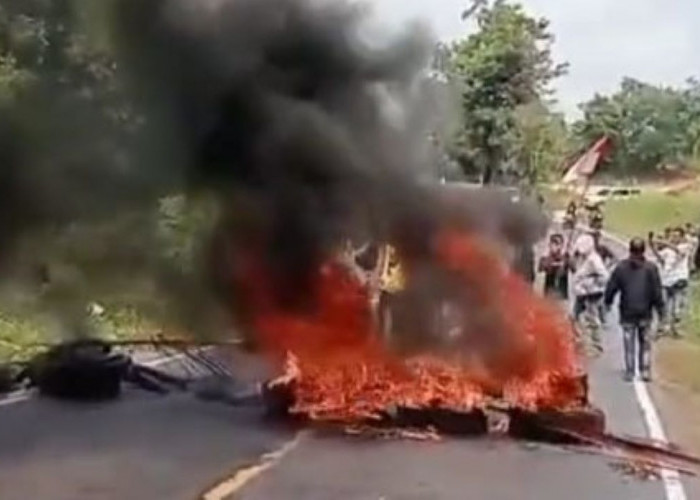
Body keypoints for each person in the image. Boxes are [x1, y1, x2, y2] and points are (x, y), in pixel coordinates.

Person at [604, 238, 664, 382]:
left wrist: (608, 302)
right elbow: (657, 291)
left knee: (629, 343)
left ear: (630, 250)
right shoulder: (651, 268)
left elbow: (611, 287)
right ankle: (644, 370)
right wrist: (660, 309)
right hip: (645, 311)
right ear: (643, 251)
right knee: (645, 343)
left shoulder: (621, 268)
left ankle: (630, 371)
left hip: (627, 311)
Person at [571, 234, 609, 353]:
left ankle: (596, 345)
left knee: (592, 319)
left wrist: (591, 284)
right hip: (582, 293)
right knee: (574, 317)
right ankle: (579, 341)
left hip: (590, 294)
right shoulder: (584, 259)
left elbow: (604, 276)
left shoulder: (594, 260)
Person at [660, 227, 692, 337]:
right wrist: (651, 244)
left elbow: (679, 252)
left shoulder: (686, 247)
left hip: (679, 279)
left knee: (677, 306)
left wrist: (664, 242)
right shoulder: (667, 251)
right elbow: (658, 256)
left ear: (682, 237)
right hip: (666, 280)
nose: (674, 238)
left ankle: (676, 328)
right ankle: (664, 327)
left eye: (677, 236)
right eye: (673, 236)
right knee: (664, 305)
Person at [538, 233, 570, 300]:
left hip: (560, 295)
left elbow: (574, 269)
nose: (554, 246)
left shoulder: (565, 257)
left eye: (557, 244)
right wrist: (555, 264)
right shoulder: (546, 258)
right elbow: (541, 268)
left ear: (561, 245)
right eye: (553, 243)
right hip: (549, 294)